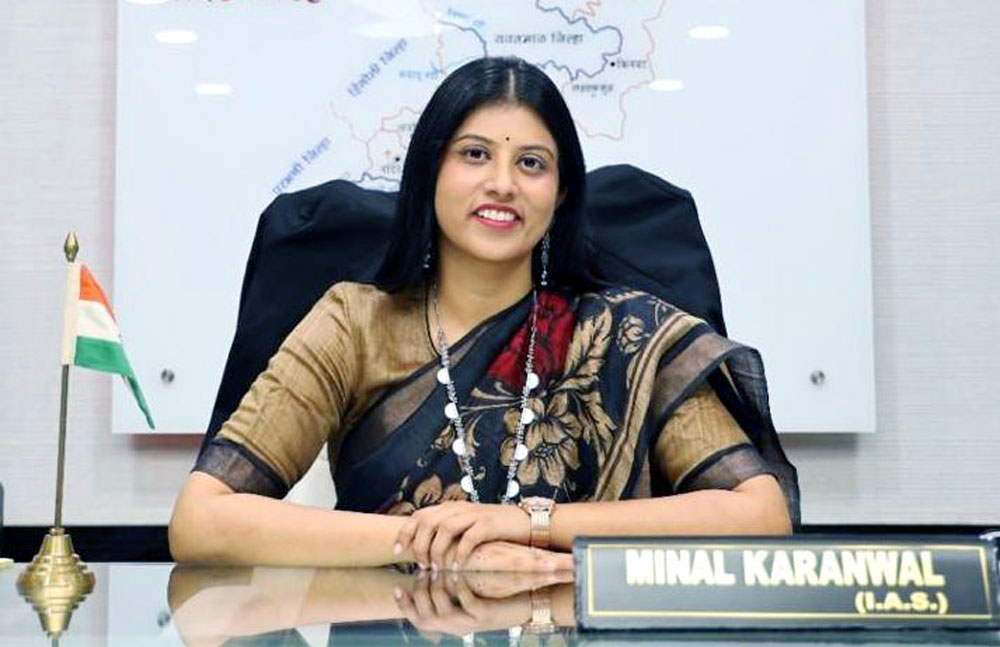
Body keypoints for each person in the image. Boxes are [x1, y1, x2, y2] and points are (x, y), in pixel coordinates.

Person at [169, 56, 798, 571]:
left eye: (531, 163)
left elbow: (758, 513)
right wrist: (443, 545)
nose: (502, 183)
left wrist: (529, 526)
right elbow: (201, 519)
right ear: (430, 173)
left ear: (561, 193)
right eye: (474, 154)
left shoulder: (623, 332)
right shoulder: (354, 323)